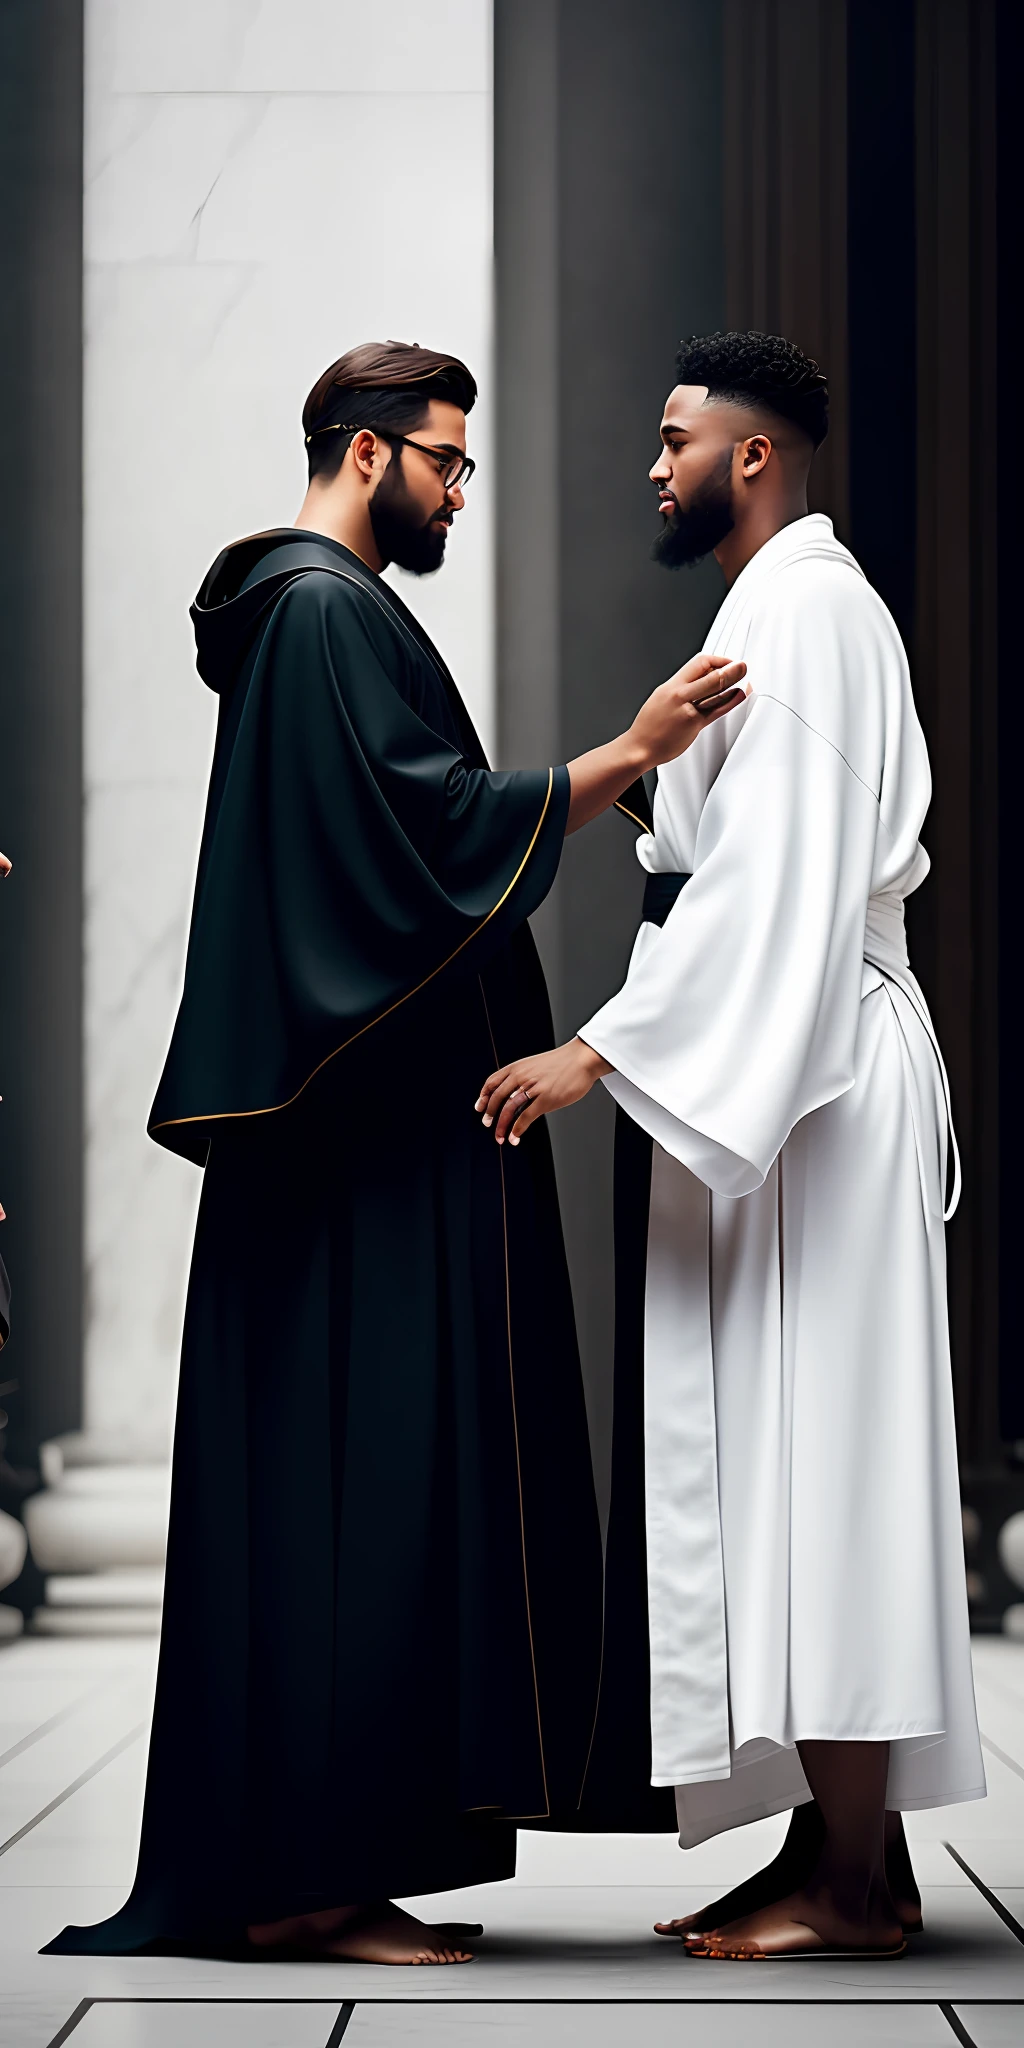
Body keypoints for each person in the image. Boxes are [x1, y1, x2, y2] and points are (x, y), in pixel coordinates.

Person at [46, 340, 745, 1967]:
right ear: (363, 454)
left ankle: (343, 1863)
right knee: (359, 1495)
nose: (453, 488)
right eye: (442, 460)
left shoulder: (316, 614)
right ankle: (309, 1883)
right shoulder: (317, 612)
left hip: (366, 1135)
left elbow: (402, 828)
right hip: (355, 1149)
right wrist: (627, 755)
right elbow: (418, 833)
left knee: (379, 1493)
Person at [477, 330, 985, 1962]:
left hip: (821, 1080)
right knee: (785, 1464)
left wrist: (595, 1050)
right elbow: (735, 847)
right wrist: (649, 776)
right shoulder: (772, 609)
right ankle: (837, 1853)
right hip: (796, 1078)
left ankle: (852, 1877)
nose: (656, 462)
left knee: (826, 1465)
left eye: (676, 437)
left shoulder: (812, 611)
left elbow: (779, 889)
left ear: (751, 457)